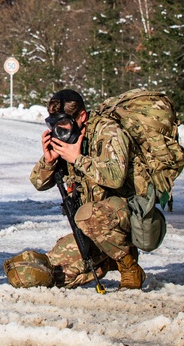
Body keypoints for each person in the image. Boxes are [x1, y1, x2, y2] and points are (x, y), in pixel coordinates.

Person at [28, 89, 145, 289]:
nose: (59, 129)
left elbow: (115, 178)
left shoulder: (108, 132)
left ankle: (129, 266)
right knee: (51, 276)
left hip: (125, 215)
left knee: (87, 215)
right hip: (90, 226)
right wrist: (49, 162)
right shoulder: (67, 137)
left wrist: (77, 159)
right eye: (54, 124)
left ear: (81, 116)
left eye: (63, 123)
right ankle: (107, 259)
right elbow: (38, 183)